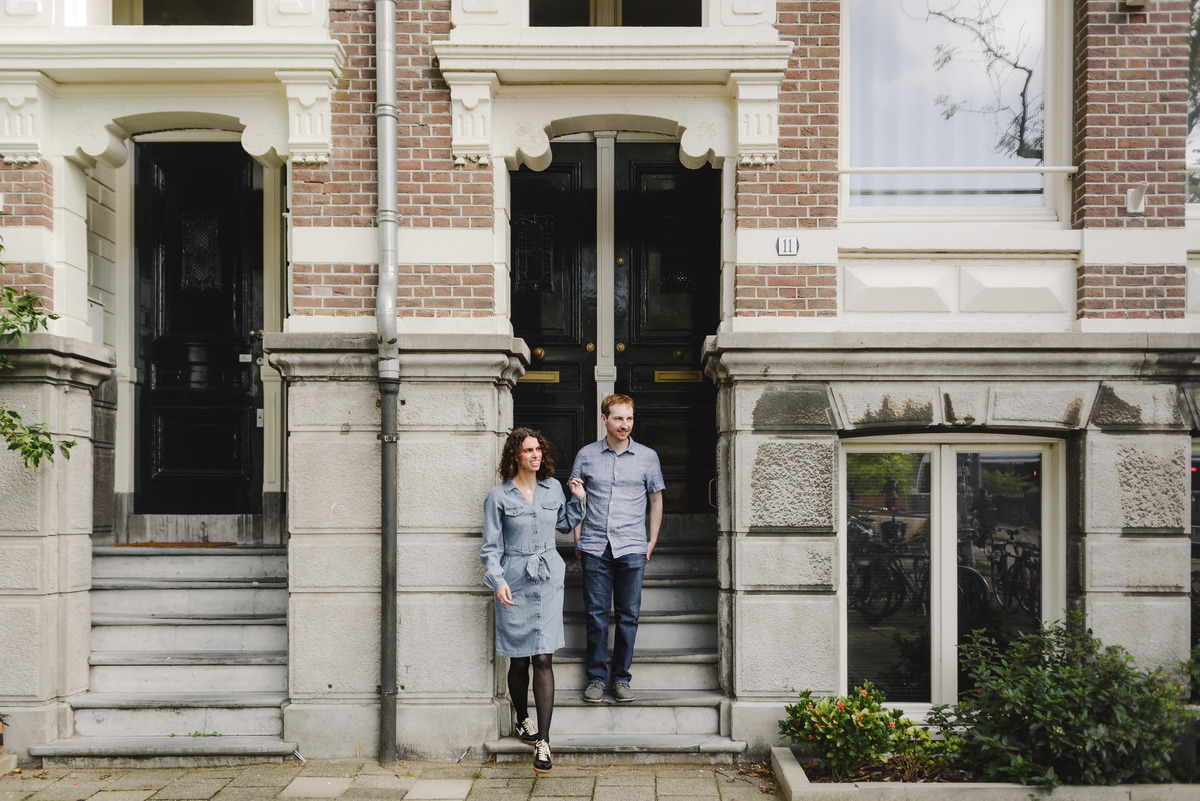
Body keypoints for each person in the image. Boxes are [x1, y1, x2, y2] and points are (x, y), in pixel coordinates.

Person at [481, 428, 586, 775]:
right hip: (513, 578)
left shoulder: (552, 487)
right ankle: (522, 718)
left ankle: (543, 740)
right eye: (528, 450)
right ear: (515, 455)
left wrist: (578, 499)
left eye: (538, 449)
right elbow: (491, 548)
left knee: (543, 657)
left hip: (548, 577)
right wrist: (497, 582)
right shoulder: (498, 496)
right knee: (520, 660)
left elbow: (565, 523)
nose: (535, 455)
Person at [569, 394, 664, 704]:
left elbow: (655, 500)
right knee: (596, 616)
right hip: (595, 544)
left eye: (629, 419)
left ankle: (621, 678)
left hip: (633, 546)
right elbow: (577, 498)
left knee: (628, 616)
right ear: (604, 420)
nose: (625, 425)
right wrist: (578, 537)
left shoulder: (648, 457)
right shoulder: (586, 455)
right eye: (619, 418)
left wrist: (651, 540)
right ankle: (596, 679)